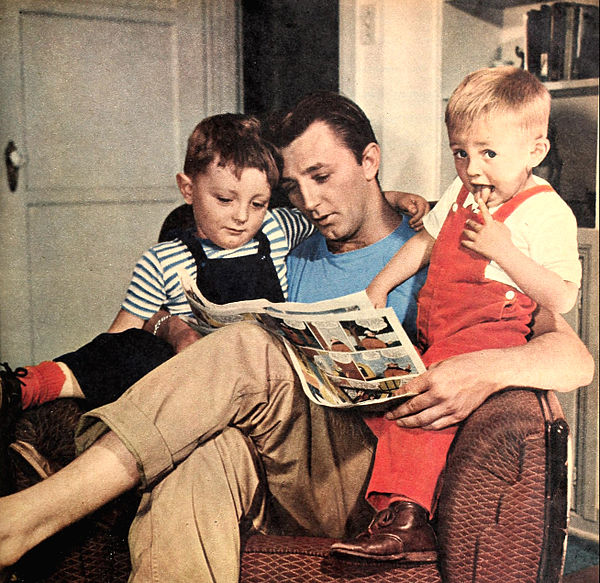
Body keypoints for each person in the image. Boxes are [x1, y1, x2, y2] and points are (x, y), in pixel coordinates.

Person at [0, 92, 593, 583]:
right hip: (271, 453)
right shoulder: (289, 242)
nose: (309, 202)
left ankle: (33, 515)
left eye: (322, 176)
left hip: (367, 467)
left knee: (253, 349)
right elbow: (184, 264)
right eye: (293, 188)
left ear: (370, 161)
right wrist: (168, 323)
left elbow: (573, 356)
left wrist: (485, 369)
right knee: (201, 457)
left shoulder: (445, 236)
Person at [0, 111, 427, 482]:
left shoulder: (277, 230)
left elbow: (334, 208)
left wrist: (392, 197)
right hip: (191, 384)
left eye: (258, 203)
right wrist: (169, 329)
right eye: (225, 199)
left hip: (268, 394)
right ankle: (30, 386)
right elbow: (120, 335)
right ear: (187, 190)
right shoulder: (163, 260)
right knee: (130, 351)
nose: (242, 216)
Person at [330, 66, 582, 561]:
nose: (473, 168)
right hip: (439, 328)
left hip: (490, 331)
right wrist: (379, 286)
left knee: (420, 409)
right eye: (461, 153)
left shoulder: (547, 211)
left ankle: (407, 519)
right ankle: (415, 492)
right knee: (382, 398)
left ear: (536, 152)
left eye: (489, 153)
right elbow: (425, 242)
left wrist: (504, 251)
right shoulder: (464, 191)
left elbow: (563, 296)